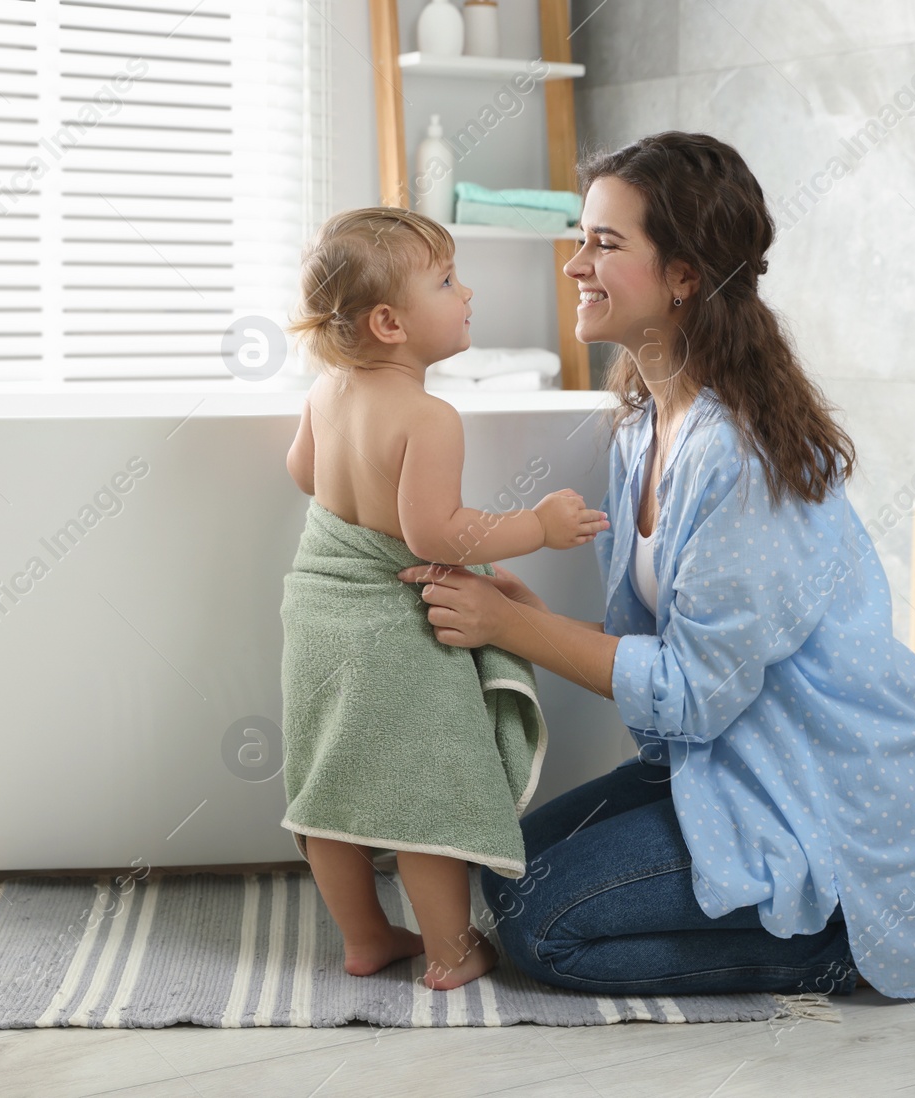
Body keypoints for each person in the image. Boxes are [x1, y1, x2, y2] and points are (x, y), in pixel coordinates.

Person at [396, 132, 915, 999]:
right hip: (730, 760)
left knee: (545, 932)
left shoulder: (741, 457)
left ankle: (870, 934)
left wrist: (515, 628)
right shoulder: (645, 427)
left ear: (685, 276)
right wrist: (521, 607)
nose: (576, 264)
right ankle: (908, 911)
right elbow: (673, 666)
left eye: (605, 244)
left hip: (828, 785)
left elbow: (691, 692)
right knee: (505, 872)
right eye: (582, 238)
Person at [279, 206, 611, 990]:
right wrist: (537, 524)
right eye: (447, 280)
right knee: (426, 787)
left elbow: (302, 473)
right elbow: (434, 534)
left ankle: (366, 938)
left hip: (320, 613)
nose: (468, 291)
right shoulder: (429, 416)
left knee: (330, 781)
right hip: (391, 628)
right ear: (390, 322)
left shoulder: (327, 390)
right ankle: (451, 951)